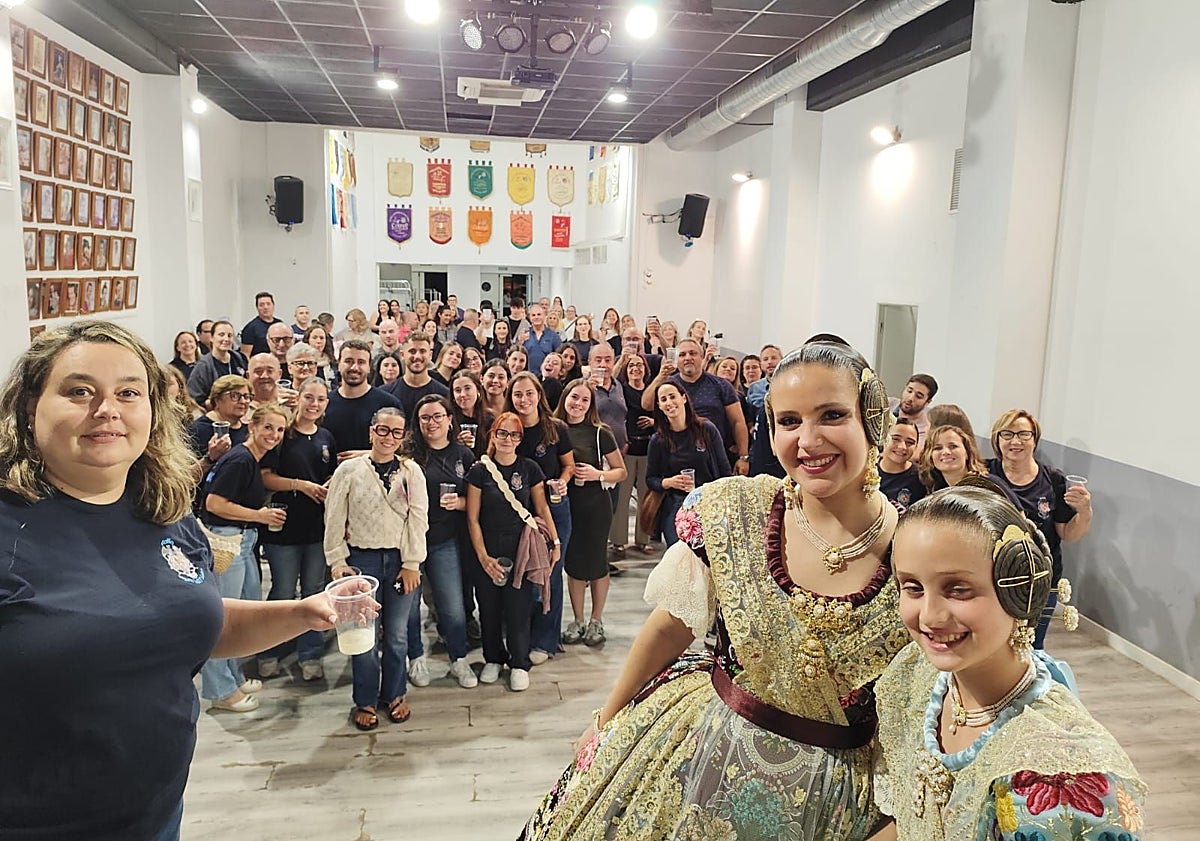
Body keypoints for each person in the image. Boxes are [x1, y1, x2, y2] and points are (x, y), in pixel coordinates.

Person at [520, 339, 909, 841]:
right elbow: (671, 625)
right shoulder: (735, 511)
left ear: (871, 419)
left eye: (831, 415)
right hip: (707, 753)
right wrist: (608, 717)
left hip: (835, 798)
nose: (808, 441)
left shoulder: (920, 549)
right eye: (789, 421)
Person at [0, 321, 345, 841]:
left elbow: (195, 621)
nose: (107, 409)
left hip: (156, 814)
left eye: (128, 393)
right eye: (78, 391)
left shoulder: (163, 511)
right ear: (30, 407)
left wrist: (303, 611)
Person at [874, 484, 1144, 841]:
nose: (930, 616)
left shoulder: (1061, 776)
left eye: (957, 589)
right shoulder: (916, 676)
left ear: (1020, 591)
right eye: (912, 587)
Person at [324, 408, 428, 730]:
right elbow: (334, 517)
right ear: (372, 431)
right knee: (363, 634)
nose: (389, 438)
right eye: (383, 430)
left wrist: (412, 563)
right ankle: (365, 699)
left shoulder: (411, 472)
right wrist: (338, 561)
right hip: (361, 562)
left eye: (397, 433)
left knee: (397, 634)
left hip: (399, 564)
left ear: (404, 437)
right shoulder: (349, 470)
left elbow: (418, 519)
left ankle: (394, 693)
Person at [198, 404, 291, 712]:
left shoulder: (251, 458)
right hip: (226, 540)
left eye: (279, 430)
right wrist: (260, 515)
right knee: (224, 619)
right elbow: (214, 503)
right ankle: (220, 690)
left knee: (246, 608)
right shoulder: (239, 459)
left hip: (243, 539)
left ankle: (234, 677)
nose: (274, 435)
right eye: (268, 428)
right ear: (253, 426)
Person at [465, 412, 560, 692]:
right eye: (502, 433)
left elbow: (541, 508)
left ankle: (519, 662)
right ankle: (493, 657)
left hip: (521, 547)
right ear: (492, 435)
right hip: (488, 545)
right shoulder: (479, 471)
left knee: (519, 606)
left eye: (514, 434)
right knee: (489, 605)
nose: (508, 439)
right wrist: (483, 557)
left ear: (520, 439)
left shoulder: (529, 468)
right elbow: (472, 518)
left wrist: (555, 542)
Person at [986, 409, 1092, 649]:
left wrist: (1085, 512)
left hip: (1042, 578)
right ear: (997, 439)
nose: (1015, 441)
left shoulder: (1053, 480)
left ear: (1035, 439)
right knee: (993, 646)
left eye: (1024, 434)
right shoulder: (985, 474)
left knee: (1031, 647)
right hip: (993, 577)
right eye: (1008, 434)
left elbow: (1067, 533)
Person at [257, 377, 337, 681]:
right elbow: (265, 476)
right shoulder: (283, 434)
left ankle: (310, 654)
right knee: (283, 591)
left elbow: (330, 475)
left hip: (317, 529)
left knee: (315, 590)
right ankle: (268, 650)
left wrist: (328, 485)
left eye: (320, 399)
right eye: (309, 398)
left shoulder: (327, 436)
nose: (314, 404)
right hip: (284, 527)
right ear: (298, 398)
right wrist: (301, 485)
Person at [408, 395, 478, 688]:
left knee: (453, 606)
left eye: (437, 416)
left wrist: (461, 502)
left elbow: (477, 499)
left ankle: (459, 659)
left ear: (450, 420)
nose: (431, 423)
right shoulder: (408, 454)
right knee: (409, 607)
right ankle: (415, 659)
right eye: (425, 418)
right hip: (409, 541)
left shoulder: (463, 455)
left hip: (444, 540)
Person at [507, 373, 575, 663]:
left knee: (550, 573)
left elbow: (568, 465)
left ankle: (546, 641)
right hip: (519, 514)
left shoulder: (556, 428)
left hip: (554, 510)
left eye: (529, 393)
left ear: (539, 395)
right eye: (518, 395)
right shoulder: (508, 428)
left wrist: (563, 480)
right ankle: (520, 635)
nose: (524, 400)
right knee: (522, 574)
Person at [554, 379, 627, 647]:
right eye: (574, 397)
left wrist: (599, 474)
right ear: (565, 398)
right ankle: (578, 619)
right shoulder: (554, 429)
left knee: (596, 563)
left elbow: (621, 471)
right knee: (573, 564)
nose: (578, 404)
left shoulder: (600, 433)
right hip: (565, 506)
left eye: (585, 400)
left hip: (595, 505)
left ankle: (597, 619)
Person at [642, 338, 750, 477]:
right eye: (682, 355)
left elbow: (738, 422)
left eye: (692, 353)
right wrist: (661, 377)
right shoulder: (669, 385)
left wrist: (743, 457)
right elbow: (646, 404)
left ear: (702, 356)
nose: (688, 358)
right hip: (676, 458)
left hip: (714, 458)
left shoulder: (721, 385)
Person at [645, 380, 732, 546]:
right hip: (677, 504)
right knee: (680, 556)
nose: (669, 403)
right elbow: (650, 479)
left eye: (672, 396)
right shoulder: (658, 440)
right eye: (663, 400)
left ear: (684, 398)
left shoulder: (706, 429)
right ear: (659, 406)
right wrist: (668, 482)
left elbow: (724, 471)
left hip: (708, 501)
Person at [323, 340, 402, 459]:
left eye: (361, 362)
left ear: (369, 367)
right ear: (339, 364)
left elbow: (402, 447)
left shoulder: (388, 404)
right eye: (348, 361)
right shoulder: (324, 403)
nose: (355, 367)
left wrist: (368, 455)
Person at [613, 351, 655, 554]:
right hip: (628, 449)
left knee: (646, 497)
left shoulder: (652, 390)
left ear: (645, 369)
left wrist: (654, 422)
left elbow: (664, 412)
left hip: (649, 449)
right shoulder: (621, 390)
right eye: (631, 366)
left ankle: (643, 539)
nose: (635, 369)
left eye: (639, 365)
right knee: (623, 497)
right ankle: (619, 541)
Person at [187, 376, 252, 485]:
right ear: (217, 400)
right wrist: (210, 458)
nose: (243, 401)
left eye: (247, 396)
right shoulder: (198, 430)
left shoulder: (248, 429)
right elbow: (186, 479)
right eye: (235, 396)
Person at [383, 333, 450, 422]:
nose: (417, 356)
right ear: (402, 355)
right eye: (412, 351)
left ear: (430, 355)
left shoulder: (444, 394)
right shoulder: (386, 393)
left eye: (422, 351)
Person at [188, 320, 247, 405]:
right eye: (221, 335)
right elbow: (194, 399)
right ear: (212, 338)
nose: (226, 339)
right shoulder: (203, 366)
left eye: (230, 335)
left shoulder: (239, 359)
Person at [919, 424, 989, 493]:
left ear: (967, 452)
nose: (946, 452)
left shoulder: (987, 485)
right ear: (930, 456)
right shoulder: (933, 489)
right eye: (938, 448)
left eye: (953, 446)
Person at [878, 418, 926, 513]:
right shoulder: (866, 471)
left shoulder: (922, 478)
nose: (902, 447)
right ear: (883, 438)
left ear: (916, 446)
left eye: (910, 442)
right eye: (895, 439)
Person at [887, 374, 937, 454]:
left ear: (928, 402)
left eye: (918, 396)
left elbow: (915, 455)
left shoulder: (924, 429)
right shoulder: (886, 404)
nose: (910, 398)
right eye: (909, 391)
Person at [451, 369, 492, 458]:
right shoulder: (447, 420)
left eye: (467, 388)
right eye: (458, 390)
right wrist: (456, 445)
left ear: (478, 391)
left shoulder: (489, 420)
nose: (462, 394)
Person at [240, 291, 284, 358]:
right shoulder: (250, 328)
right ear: (257, 307)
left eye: (268, 304)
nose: (265, 307)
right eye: (261, 305)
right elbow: (245, 355)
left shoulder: (280, 324)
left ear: (273, 305)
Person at [522, 303, 562, 373]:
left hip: (547, 376)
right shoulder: (523, 335)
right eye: (533, 315)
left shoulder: (554, 336)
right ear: (529, 317)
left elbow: (560, 358)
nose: (536, 317)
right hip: (528, 376)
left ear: (544, 316)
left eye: (539, 314)